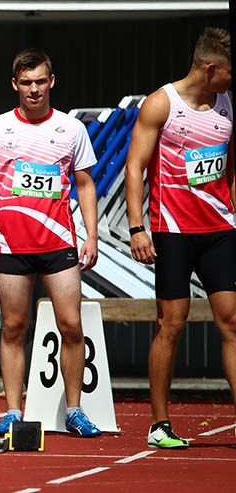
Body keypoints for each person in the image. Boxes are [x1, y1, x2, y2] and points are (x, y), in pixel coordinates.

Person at [0, 48, 102, 437]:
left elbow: (85, 183)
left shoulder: (70, 129)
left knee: (72, 324)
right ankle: (13, 411)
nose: (33, 90)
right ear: (15, 84)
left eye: (40, 82)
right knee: (13, 327)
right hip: (11, 244)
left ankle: (74, 409)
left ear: (51, 82)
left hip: (59, 243)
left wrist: (91, 235)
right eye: (26, 83)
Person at [125, 27, 236, 449]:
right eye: (228, 72)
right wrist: (138, 227)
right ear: (210, 69)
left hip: (221, 231)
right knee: (171, 325)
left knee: (232, 323)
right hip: (174, 232)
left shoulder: (227, 103)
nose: (231, 79)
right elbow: (135, 166)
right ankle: (160, 425)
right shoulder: (161, 104)